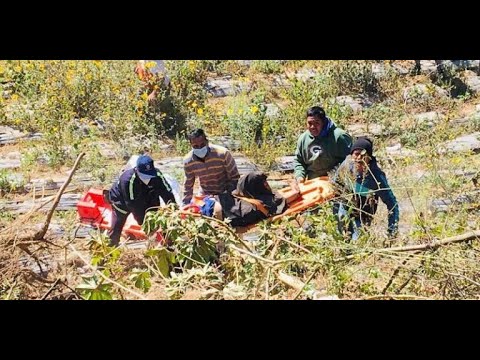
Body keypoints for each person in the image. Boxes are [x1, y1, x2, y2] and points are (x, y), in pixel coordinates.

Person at [333, 137, 399, 241]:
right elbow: (336, 187)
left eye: (363, 155)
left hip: (363, 212)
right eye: (356, 154)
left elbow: (392, 204)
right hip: (345, 207)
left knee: (357, 240)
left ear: (369, 158)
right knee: (340, 235)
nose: (359, 158)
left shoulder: (376, 177)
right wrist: (335, 214)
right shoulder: (346, 166)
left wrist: (392, 231)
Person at [108, 155, 176, 246]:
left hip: (147, 195)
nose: (147, 179)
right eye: (144, 176)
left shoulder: (157, 175)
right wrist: (145, 224)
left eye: (149, 176)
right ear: (137, 170)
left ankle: (168, 244)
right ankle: (111, 246)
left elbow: (167, 193)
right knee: (118, 223)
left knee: (158, 219)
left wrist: (173, 211)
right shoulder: (128, 180)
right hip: (122, 200)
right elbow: (133, 205)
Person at [197, 171, 300, 228]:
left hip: (211, 202)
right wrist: (294, 183)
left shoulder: (241, 193)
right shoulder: (267, 202)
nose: (267, 185)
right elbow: (294, 194)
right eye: (264, 183)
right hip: (216, 213)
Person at [293, 106, 352, 192]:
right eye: (309, 123)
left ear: (323, 122)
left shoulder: (339, 137)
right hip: (314, 185)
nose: (313, 127)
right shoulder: (303, 139)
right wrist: (300, 176)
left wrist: (336, 178)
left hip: (337, 183)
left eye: (317, 123)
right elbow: (299, 161)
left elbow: (350, 160)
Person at [182, 128, 240, 206]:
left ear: (207, 142)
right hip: (206, 194)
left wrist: (227, 194)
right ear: (191, 145)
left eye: (202, 145)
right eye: (196, 146)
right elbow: (188, 185)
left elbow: (235, 178)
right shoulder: (189, 161)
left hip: (226, 192)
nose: (199, 148)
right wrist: (185, 204)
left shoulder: (222, 154)